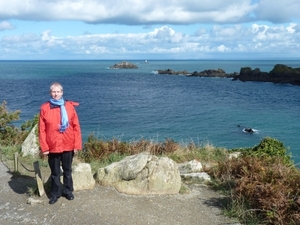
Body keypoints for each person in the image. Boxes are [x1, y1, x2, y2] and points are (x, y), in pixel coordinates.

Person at [39, 82, 82, 204]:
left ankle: (68, 191)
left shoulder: (69, 106)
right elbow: (41, 130)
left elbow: (76, 126)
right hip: (52, 145)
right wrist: (44, 147)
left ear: (62, 92)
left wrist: (76, 145)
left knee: (67, 170)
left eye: (58, 91)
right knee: (55, 172)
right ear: (50, 93)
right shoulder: (44, 108)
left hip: (68, 143)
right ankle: (55, 193)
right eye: (53, 92)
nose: (56, 94)